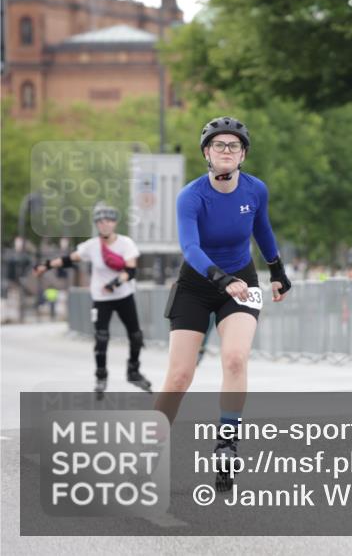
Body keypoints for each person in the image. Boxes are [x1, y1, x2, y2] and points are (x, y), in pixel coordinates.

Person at [153, 116, 292, 492]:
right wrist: (220, 279)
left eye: (234, 146)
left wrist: (277, 269)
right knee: (180, 375)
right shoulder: (191, 195)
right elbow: (191, 248)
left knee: (235, 358)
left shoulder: (255, 190)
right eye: (219, 145)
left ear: (243, 153)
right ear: (207, 153)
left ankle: (227, 443)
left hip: (242, 281)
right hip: (197, 284)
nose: (226, 151)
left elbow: (261, 228)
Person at [34, 202, 151, 398]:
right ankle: (101, 376)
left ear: (114, 223)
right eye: (100, 222)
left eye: (108, 221)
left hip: (123, 296)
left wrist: (114, 283)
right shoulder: (91, 246)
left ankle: (133, 371)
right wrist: (45, 265)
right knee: (101, 337)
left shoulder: (126, 243)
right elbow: (68, 259)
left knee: (136, 335)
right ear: (97, 224)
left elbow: (130, 271)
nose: (104, 225)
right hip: (101, 298)